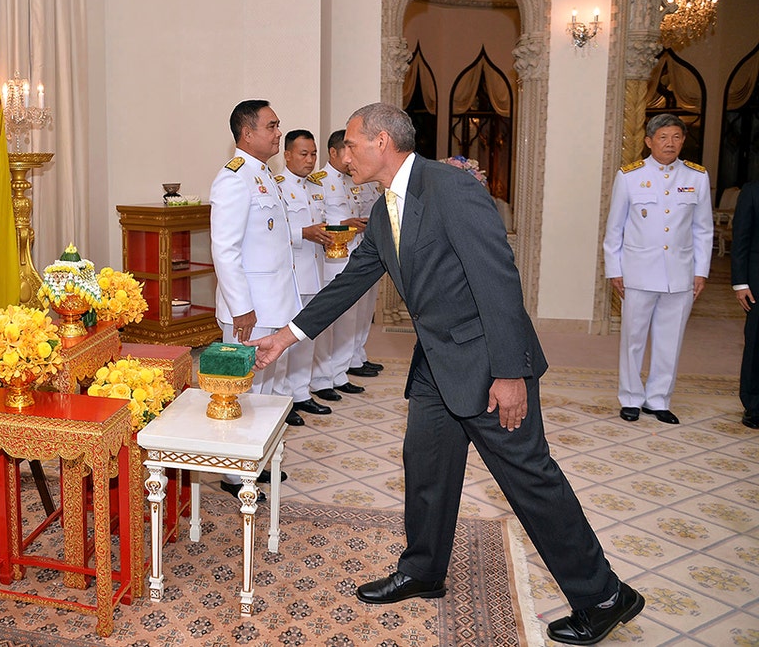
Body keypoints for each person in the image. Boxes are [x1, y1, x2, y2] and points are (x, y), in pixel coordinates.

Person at [248, 103, 641, 646]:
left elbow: (498, 279)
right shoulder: (385, 207)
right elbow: (353, 279)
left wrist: (510, 374)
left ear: (383, 141)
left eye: (352, 145)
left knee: (527, 476)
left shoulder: (450, 188)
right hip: (437, 360)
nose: (344, 156)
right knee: (426, 462)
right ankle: (424, 569)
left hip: (486, 359)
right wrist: (286, 335)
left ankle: (604, 595)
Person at [211, 99, 302, 499]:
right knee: (242, 390)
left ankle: (257, 458)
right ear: (247, 133)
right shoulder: (233, 178)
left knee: (269, 390)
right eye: (272, 126)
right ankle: (234, 473)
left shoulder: (263, 176)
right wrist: (240, 306)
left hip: (276, 302)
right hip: (249, 309)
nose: (278, 133)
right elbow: (224, 249)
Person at [603, 114, 713, 425]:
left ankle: (658, 398)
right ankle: (630, 398)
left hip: (680, 274)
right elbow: (615, 229)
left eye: (676, 137)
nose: (670, 143)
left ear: (683, 141)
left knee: (670, 339)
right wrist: (615, 270)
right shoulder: (629, 177)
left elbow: (703, 230)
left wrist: (700, 271)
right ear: (649, 141)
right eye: (663, 137)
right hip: (637, 272)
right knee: (633, 338)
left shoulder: (697, 177)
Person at [308, 131, 376, 404]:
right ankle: (326, 376)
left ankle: (343, 368)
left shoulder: (352, 180)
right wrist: (347, 223)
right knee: (334, 319)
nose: (350, 158)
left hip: (357, 250)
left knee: (356, 316)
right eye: (345, 152)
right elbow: (320, 221)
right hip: (331, 258)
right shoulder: (319, 182)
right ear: (332, 153)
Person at [274, 130, 333, 419]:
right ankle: (282, 400)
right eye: (303, 154)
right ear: (287, 155)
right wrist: (303, 233)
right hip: (292, 274)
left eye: (313, 154)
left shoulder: (315, 187)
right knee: (286, 339)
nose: (310, 160)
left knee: (307, 335)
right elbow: (272, 232)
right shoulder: (279, 187)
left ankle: (301, 393)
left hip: (315, 271)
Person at [732, 180, 759, 429]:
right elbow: (740, 238)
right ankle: (753, 404)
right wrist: (740, 283)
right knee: (756, 342)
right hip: (757, 283)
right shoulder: (752, 190)